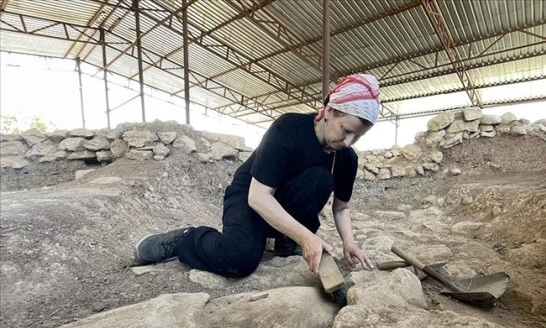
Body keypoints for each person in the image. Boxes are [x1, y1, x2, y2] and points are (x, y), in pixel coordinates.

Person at [133, 73, 380, 277]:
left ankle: (287, 242)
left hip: (284, 207)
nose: (349, 141)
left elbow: (341, 207)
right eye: (346, 130)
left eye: (358, 136)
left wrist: (349, 242)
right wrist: (306, 237)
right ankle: (185, 240)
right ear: (329, 111)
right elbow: (259, 197)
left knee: (320, 178)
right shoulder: (289, 128)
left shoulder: (347, 157)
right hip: (250, 196)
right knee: (238, 259)